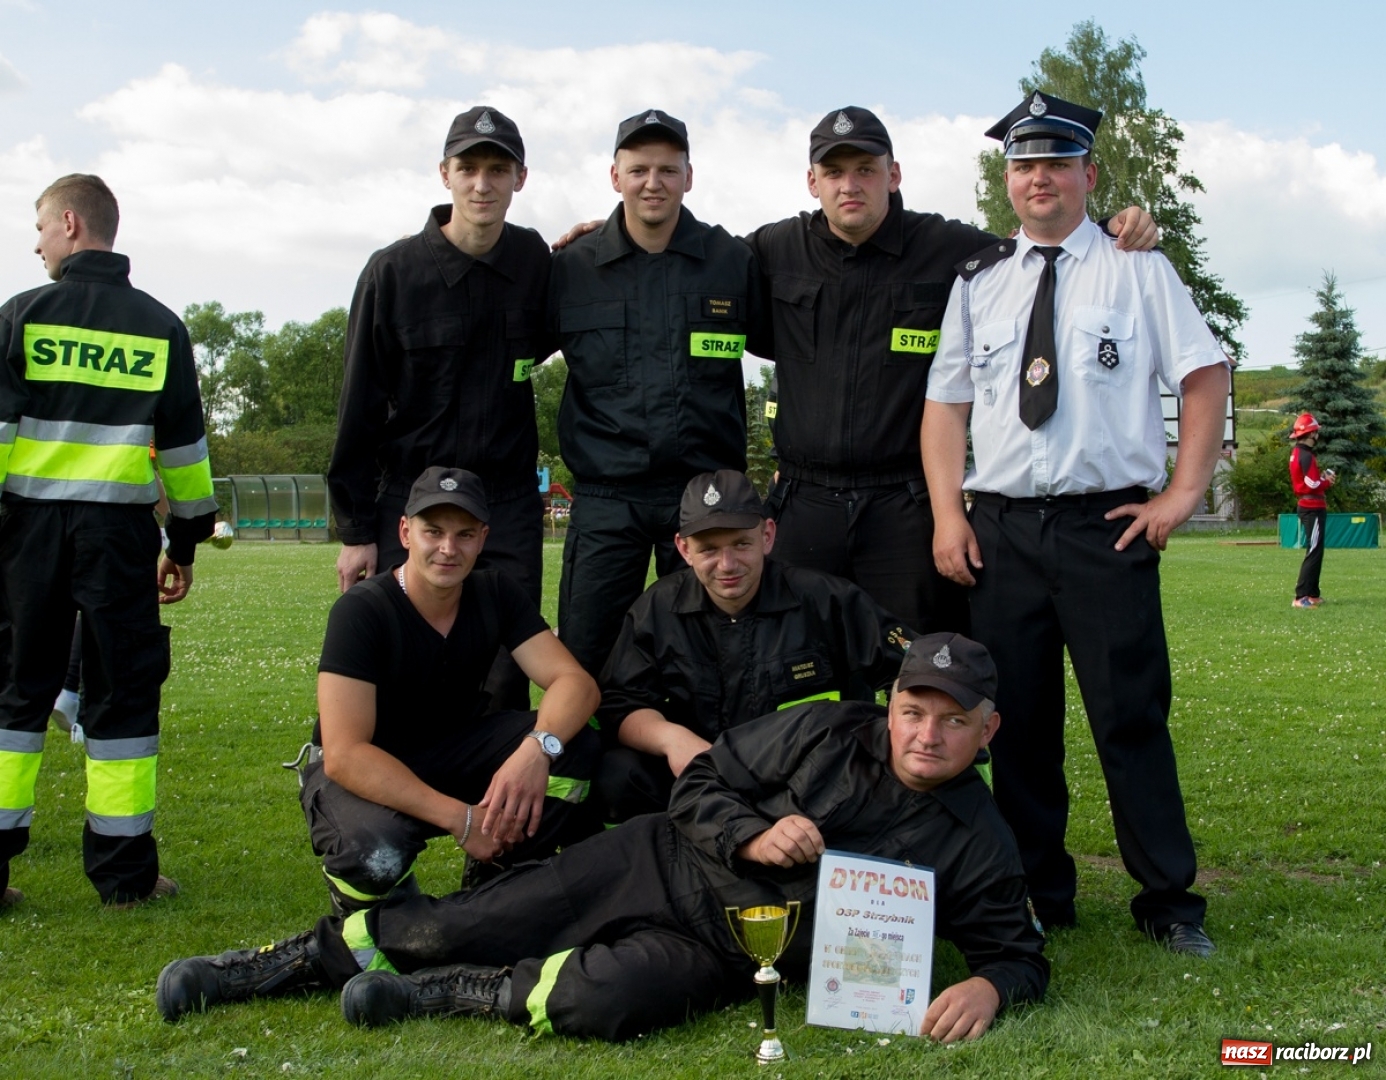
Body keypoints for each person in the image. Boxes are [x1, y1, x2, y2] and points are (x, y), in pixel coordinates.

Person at [157, 632, 1047, 1046]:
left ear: (988, 731)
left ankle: (443, 999)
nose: (925, 734)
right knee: (466, 920)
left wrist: (988, 988)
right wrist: (752, 833)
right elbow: (701, 778)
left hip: (728, 955)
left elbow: (1018, 953)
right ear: (889, 706)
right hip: (657, 861)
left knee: (601, 1005)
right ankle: (278, 967)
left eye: (951, 721)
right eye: (912, 711)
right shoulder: (822, 729)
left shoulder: (979, 838)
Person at [922, 91, 1230, 957]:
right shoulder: (979, 282)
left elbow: (1206, 378)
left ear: (1090, 175)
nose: (1040, 178)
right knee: (1014, 724)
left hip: (1107, 529)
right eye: (1024, 165)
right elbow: (945, 403)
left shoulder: (1139, 267)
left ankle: (1168, 902)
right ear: (1007, 181)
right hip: (1004, 531)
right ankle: (1038, 895)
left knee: (1129, 717)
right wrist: (950, 512)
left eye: (1057, 162)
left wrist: (1180, 495)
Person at [745, 106, 1158, 637]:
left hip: (906, 507)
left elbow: (1039, 244)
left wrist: (1111, 228)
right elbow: (691, 265)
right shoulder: (772, 250)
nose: (851, 185)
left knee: (925, 669)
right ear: (811, 182)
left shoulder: (950, 247)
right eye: (833, 172)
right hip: (805, 503)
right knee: (801, 665)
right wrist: (602, 239)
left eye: (867, 169)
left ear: (893, 175)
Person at [0, 174, 216, 908]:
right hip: (121, 537)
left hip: (26, 534)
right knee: (123, 700)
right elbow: (185, 454)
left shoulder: (20, 317)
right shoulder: (160, 326)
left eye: (39, 229)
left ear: (69, 223)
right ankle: (125, 877)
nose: (35, 244)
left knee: (13, 695)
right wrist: (182, 546)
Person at [298, 466, 600, 916]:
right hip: (364, 766)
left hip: (450, 746)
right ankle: (369, 903)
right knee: (378, 852)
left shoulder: (494, 591)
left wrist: (536, 749)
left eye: (463, 535)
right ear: (404, 532)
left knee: (575, 744)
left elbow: (576, 683)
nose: (448, 548)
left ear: (482, 538)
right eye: (433, 531)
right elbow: (345, 753)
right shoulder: (361, 611)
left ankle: (498, 875)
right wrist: (462, 820)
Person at [327, 106, 553, 710]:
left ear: (519, 179)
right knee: (401, 665)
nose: (483, 184)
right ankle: (392, 799)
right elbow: (358, 408)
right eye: (469, 167)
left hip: (505, 505)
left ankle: (497, 801)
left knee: (507, 671)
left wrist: (588, 245)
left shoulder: (536, 264)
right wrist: (354, 529)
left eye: (497, 170)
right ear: (444, 173)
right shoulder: (393, 273)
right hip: (411, 498)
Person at [551, 109, 768, 677]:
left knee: (709, 652)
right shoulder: (571, 267)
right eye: (639, 169)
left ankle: (706, 765)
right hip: (605, 499)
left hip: (704, 499)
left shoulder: (732, 261)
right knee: (587, 649)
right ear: (614, 176)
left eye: (668, 171)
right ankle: (589, 765)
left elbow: (795, 341)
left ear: (689, 177)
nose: (654, 182)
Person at [596, 468, 914, 821]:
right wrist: (672, 740)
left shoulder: (826, 600)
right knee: (618, 774)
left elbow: (914, 667)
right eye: (709, 550)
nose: (727, 565)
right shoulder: (656, 610)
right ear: (684, 549)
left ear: (767, 535)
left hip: (805, 785)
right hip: (697, 778)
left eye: (741, 544)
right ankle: (656, 862)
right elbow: (621, 703)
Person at [1288, 412, 1334, 607]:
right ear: (1311, 434)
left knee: (1316, 550)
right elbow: (1312, 483)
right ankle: (1301, 596)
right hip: (1311, 508)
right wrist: (1327, 482)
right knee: (1313, 550)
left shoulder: (1300, 454)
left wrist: (1321, 480)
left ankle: (1313, 593)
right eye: (1316, 432)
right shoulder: (1305, 455)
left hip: (1311, 506)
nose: (1317, 436)